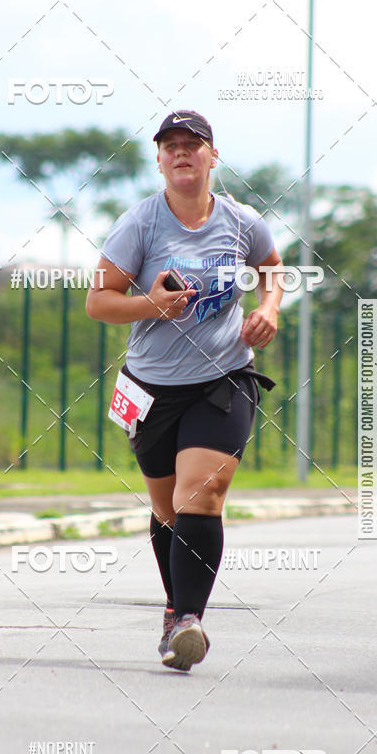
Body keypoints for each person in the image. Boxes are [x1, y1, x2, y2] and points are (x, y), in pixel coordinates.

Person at [86, 110, 284, 671]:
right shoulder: (140, 225)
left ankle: (191, 621)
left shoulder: (242, 222)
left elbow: (272, 266)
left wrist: (268, 308)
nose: (181, 154)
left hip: (224, 377)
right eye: (170, 146)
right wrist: (151, 305)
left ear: (211, 157)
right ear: (159, 160)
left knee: (201, 495)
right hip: (152, 386)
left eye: (192, 145)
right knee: (167, 509)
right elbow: (99, 302)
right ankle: (175, 609)